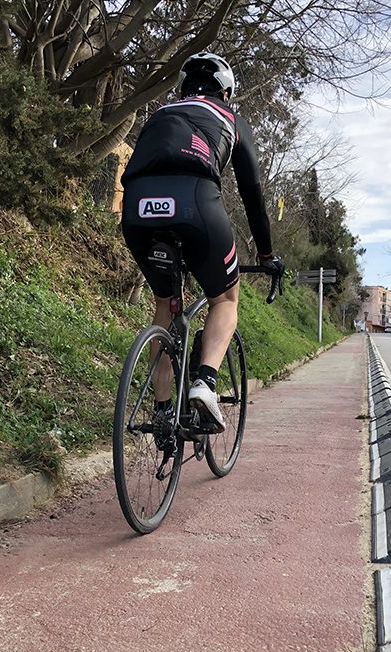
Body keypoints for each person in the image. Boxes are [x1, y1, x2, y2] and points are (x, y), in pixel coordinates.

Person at [120, 51, 284, 432]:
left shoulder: (161, 115)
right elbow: (254, 196)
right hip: (195, 203)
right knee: (225, 300)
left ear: (183, 90)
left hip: (137, 208)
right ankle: (205, 385)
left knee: (165, 305)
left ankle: (161, 415)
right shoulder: (231, 119)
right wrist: (266, 253)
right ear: (225, 93)